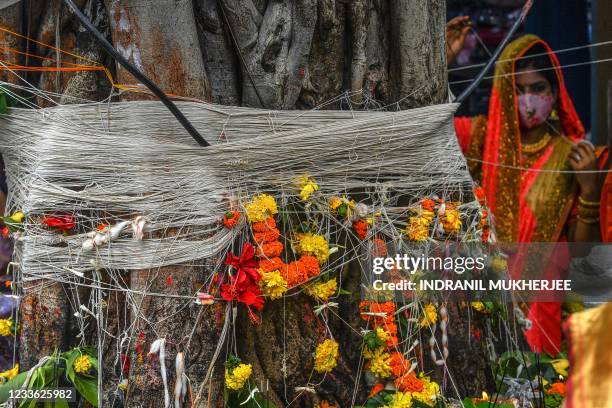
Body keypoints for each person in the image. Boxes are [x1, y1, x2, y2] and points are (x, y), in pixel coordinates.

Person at [448, 28, 607, 355]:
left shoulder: (572, 156)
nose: (528, 100)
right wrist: (445, 60)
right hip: (482, 294)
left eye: (537, 88)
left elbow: (580, 251)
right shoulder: (480, 137)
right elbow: (434, 124)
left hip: (540, 301)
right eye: (518, 90)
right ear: (504, 93)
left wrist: (590, 189)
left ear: (555, 91)